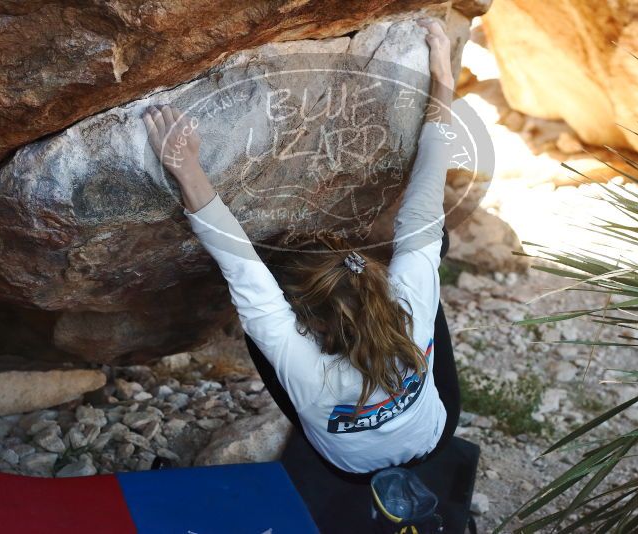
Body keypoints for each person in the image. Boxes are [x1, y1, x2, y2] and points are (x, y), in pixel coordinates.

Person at [142, 18, 460, 475]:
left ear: (311, 323)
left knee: (263, 333)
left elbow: (246, 270)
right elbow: (430, 183)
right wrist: (444, 82)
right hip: (433, 432)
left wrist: (186, 168)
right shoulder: (410, 299)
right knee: (429, 246)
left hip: (348, 468)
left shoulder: (310, 374)